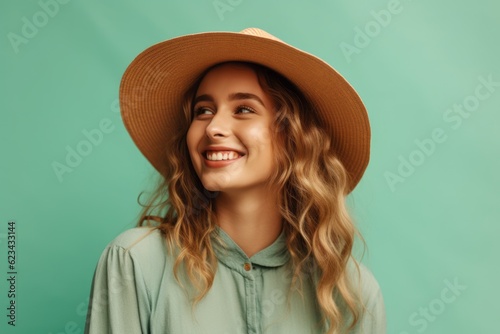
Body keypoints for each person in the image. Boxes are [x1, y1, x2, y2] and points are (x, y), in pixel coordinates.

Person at [84, 28, 386, 334]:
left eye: (243, 109)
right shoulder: (136, 262)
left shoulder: (354, 295)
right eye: (203, 110)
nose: (214, 127)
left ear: (293, 137)